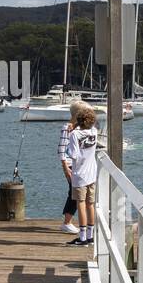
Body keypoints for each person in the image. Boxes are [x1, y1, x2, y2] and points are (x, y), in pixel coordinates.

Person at [62, 104, 100, 245]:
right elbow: (88, 123)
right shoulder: (94, 132)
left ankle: (82, 237)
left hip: (80, 174)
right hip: (92, 173)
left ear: (78, 120)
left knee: (81, 205)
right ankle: (90, 236)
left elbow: (74, 155)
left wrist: (72, 131)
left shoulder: (74, 135)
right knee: (91, 204)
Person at [58, 100, 89, 234]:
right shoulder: (67, 128)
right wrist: (65, 168)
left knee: (75, 192)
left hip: (78, 164)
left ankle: (68, 220)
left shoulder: (79, 128)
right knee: (74, 192)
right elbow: (61, 149)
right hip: (71, 165)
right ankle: (67, 222)